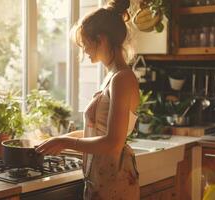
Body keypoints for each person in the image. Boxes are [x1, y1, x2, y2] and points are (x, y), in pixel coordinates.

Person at [35, 0, 140, 199]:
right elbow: (96, 131)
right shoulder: (111, 77)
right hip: (101, 180)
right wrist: (57, 140)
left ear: (101, 39)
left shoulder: (123, 79)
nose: (84, 52)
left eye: (85, 44)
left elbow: (113, 142)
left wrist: (65, 141)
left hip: (114, 184)